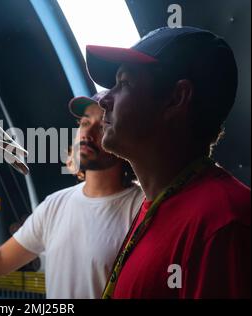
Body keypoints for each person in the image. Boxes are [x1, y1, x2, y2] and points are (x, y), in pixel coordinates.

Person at [86, 26, 251, 298]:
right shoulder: (160, 205)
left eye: (124, 83)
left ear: (176, 98)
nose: (104, 99)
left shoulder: (223, 224)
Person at [0, 92, 144, 298]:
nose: (87, 133)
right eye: (84, 123)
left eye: (102, 126)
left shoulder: (141, 209)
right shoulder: (55, 205)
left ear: (123, 139)